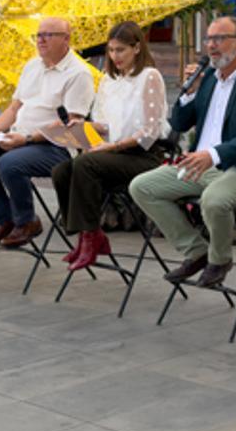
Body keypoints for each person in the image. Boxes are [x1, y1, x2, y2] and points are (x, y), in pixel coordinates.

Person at [129, 16, 236, 288]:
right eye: (209, 39)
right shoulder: (209, 77)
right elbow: (179, 123)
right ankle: (196, 251)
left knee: (213, 200)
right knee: (142, 187)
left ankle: (220, 260)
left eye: (220, 39)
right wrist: (190, 92)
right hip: (199, 164)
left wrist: (213, 154)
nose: (212, 45)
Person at [0, 17, 95, 249]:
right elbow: (14, 108)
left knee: (10, 163)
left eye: (48, 35)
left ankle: (27, 221)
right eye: (38, 35)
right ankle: (6, 218)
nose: (41, 40)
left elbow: (71, 126)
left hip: (55, 147)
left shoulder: (78, 74)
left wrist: (27, 139)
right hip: (19, 139)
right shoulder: (32, 66)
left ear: (66, 39)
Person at [52, 21, 169, 271]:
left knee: (85, 164)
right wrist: (82, 126)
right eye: (111, 50)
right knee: (62, 170)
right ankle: (87, 235)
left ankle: (90, 237)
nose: (115, 56)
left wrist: (113, 147)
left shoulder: (149, 76)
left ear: (136, 48)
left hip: (143, 156)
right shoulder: (108, 80)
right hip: (114, 154)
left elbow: (150, 131)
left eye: (121, 50)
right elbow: (106, 125)